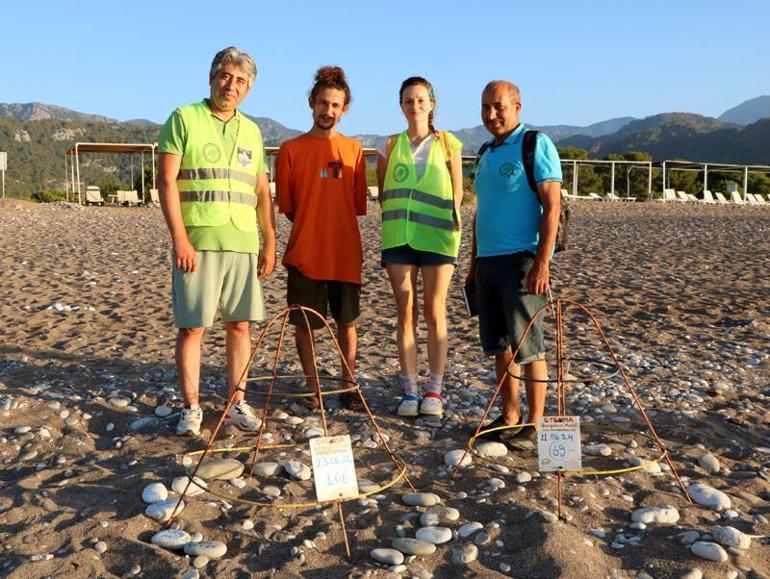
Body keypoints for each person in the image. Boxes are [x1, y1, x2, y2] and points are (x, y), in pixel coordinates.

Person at [158, 47, 276, 436]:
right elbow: (166, 181)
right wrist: (180, 240)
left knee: (240, 325)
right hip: (198, 241)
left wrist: (269, 240)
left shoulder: (253, 130)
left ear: (249, 88)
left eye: (241, 80)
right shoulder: (184, 118)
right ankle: (191, 407)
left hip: (242, 242)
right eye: (225, 76)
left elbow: (261, 190)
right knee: (193, 327)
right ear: (212, 77)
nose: (232, 85)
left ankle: (237, 401)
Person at [468, 80, 562, 450]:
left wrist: (542, 262)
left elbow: (552, 206)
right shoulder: (486, 152)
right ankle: (510, 415)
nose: (492, 114)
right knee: (499, 345)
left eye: (499, 106)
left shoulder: (535, 144)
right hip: (488, 260)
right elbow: (481, 212)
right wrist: (473, 262)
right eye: (486, 107)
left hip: (523, 258)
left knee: (529, 345)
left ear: (517, 106)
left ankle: (535, 422)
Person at [275, 66, 367, 410]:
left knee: (347, 323)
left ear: (344, 110)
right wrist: (313, 225)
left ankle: (348, 385)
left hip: (345, 252)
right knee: (306, 325)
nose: (328, 111)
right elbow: (289, 207)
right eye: (323, 103)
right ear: (312, 102)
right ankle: (313, 388)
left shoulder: (354, 150)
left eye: (335, 105)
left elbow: (356, 207)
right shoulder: (290, 150)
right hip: (305, 252)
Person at [376, 77, 463, 418]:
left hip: (438, 239)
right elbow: (383, 193)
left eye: (421, 100)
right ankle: (410, 390)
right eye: (409, 101)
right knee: (406, 313)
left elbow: (457, 194)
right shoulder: (388, 145)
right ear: (401, 106)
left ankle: (435, 390)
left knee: (434, 311)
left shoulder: (448, 144)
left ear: (432, 104)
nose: (415, 106)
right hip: (399, 238)